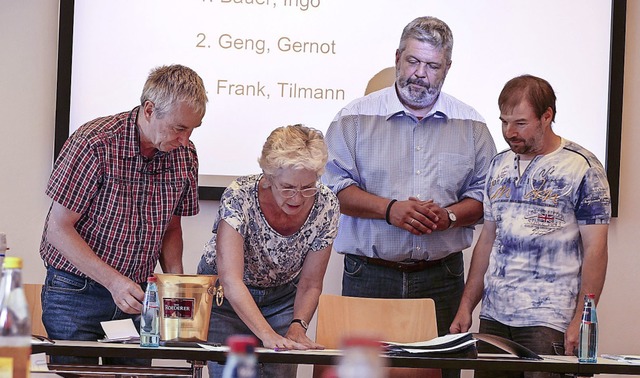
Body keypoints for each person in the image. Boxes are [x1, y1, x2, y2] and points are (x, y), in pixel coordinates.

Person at [323, 13, 495, 358]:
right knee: (363, 371)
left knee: (440, 370)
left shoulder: (472, 125)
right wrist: (390, 210)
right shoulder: (353, 118)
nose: (420, 74)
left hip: (442, 277)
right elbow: (332, 190)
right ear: (397, 58)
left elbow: (486, 197)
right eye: (413, 61)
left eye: (432, 66)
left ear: (447, 68)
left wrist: (447, 217)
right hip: (369, 273)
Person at [39, 64, 208, 365]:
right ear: (149, 109)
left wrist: (175, 285)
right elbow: (58, 229)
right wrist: (113, 282)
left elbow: (171, 228)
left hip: (138, 296)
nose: (186, 139)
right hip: (77, 291)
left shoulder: (185, 155)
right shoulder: (95, 143)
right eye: (179, 128)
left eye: (193, 129)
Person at [449, 75, 611, 378]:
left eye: (520, 123)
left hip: (549, 320)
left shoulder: (583, 167)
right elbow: (487, 241)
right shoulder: (498, 165)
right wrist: (466, 306)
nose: (510, 132)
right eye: (504, 122)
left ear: (546, 116)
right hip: (495, 316)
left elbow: (596, 250)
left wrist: (581, 320)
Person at [197, 124, 340, 378]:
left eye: (308, 187)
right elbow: (231, 280)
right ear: (269, 177)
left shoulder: (326, 205)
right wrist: (266, 334)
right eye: (288, 187)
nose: (298, 198)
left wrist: (298, 326)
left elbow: (310, 283)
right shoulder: (239, 196)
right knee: (236, 374)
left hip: (282, 298)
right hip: (226, 301)